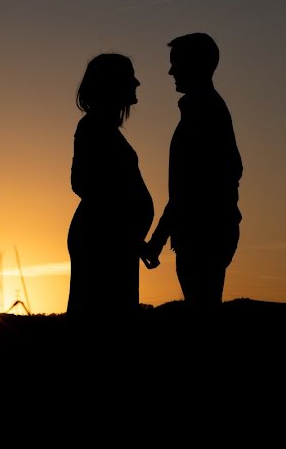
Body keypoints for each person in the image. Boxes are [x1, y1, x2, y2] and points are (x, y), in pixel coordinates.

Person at [143, 33, 242, 309]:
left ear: (195, 65)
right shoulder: (204, 109)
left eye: (176, 63)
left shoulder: (205, 111)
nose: (170, 71)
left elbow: (190, 188)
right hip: (205, 233)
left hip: (203, 236)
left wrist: (158, 239)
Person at [67, 53, 154, 321]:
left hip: (115, 242)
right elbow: (83, 183)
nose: (137, 83)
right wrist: (126, 231)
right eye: (130, 78)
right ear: (112, 84)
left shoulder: (103, 129)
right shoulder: (92, 128)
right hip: (102, 244)